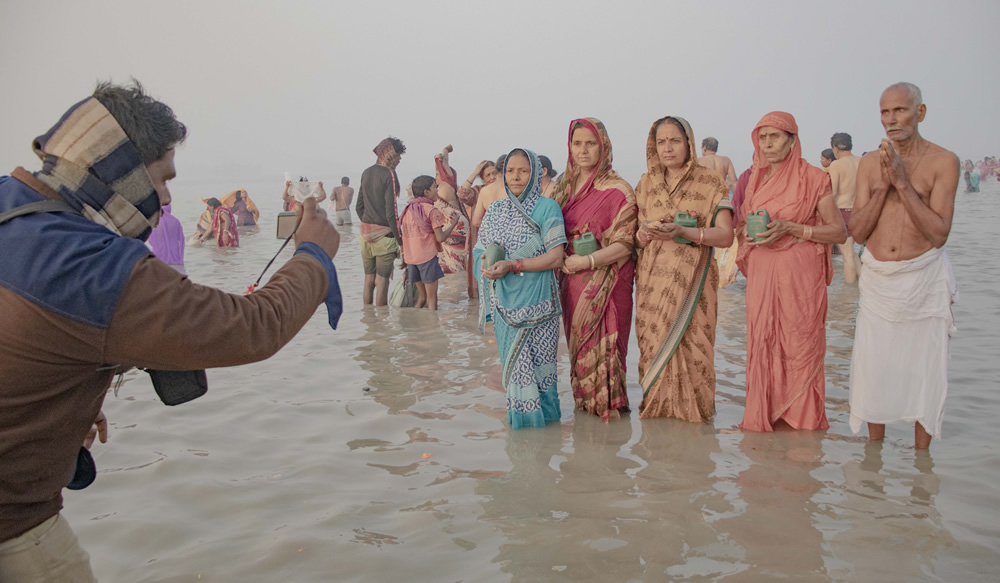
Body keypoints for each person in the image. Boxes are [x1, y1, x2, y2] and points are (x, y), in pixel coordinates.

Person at [0, 81, 342, 581]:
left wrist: (63, 393)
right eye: (160, 179)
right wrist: (312, 256)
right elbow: (255, 326)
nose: (164, 199)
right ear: (119, 171)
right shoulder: (93, 266)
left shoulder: (12, 204)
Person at [848, 82, 960, 449]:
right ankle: (874, 458)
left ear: (920, 113)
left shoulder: (944, 162)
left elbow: (939, 233)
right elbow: (858, 232)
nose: (891, 120)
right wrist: (883, 186)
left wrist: (902, 181)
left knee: (924, 374)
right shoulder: (867, 164)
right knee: (874, 371)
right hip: (880, 281)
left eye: (900, 110)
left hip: (923, 280)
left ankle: (921, 467)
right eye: (884, 112)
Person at [735, 111, 847, 432]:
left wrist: (793, 228)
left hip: (800, 272)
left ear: (792, 141)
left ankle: (802, 420)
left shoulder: (814, 178)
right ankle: (765, 414)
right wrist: (747, 233)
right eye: (762, 137)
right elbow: (743, 225)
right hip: (763, 270)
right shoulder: (755, 179)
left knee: (800, 341)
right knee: (763, 338)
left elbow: (837, 232)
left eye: (775, 137)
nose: (767, 144)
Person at [634, 116, 734, 422]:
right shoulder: (646, 183)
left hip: (694, 286)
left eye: (674, 141)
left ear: (689, 144)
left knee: (694, 352)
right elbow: (637, 237)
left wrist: (686, 232)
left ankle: (697, 423)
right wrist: (645, 232)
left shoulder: (710, 181)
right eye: (661, 142)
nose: (667, 148)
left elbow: (727, 236)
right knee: (655, 351)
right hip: (653, 287)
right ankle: (659, 424)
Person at [551, 118, 637, 422]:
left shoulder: (619, 190)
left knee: (608, 359)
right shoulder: (561, 190)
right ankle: (586, 432)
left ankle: (611, 430)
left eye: (591, 143)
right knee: (579, 358)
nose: (583, 150)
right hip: (571, 285)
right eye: (577, 144)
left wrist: (587, 261)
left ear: (604, 146)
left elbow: (626, 244)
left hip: (607, 285)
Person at [474, 148, 566, 429]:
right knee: (516, 373)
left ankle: (546, 432)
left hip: (540, 305)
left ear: (536, 174)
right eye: (510, 170)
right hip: (505, 307)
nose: (516, 176)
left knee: (543, 374)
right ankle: (525, 437)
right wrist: (484, 265)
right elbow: (480, 249)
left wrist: (513, 265)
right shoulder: (496, 210)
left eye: (523, 170)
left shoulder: (547, 208)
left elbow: (556, 257)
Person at [356, 137, 406, 306]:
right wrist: (400, 241)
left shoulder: (366, 172)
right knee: (382, 280)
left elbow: (358, 207)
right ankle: (382, 322)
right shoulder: (388, 174)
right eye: (398, 155)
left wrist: (369, 225)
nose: (399, 159)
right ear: (390, 154)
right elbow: (391, 213)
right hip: (385, 237)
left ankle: (369, 319)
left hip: (365, 235)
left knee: (368, 278)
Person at [400, 176, 458, 310]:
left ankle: (417, 328)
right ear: (426, 192)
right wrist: (453, 223)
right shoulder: (432, 210)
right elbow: (440, 238)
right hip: (427, 258)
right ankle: (433, 328)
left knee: (422, 297)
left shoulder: (408, 210)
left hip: (411, 259)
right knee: (432, 299)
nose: (437, 190)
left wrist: (404, 257)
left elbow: (404, 236)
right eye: (434, 187)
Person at [458, 159, 499, 300]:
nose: (492, 177)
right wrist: (475, 173)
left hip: (499, 238)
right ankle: (478, 309)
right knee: (480, 271)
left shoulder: (504, 190)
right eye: (488, 175)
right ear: (483, 178)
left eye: (495, 173)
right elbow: (462, 194)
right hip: (480, 238)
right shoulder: (478, 191)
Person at [828, 132, 863, 283]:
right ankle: (863, 287)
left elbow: (833, 192)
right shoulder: (861, 161)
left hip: (844, 211)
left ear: (835, 148)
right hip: (860, 212)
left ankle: (848, 296)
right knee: (852, 253)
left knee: (847, 255)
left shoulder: (836, 165)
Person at [433, 145, 471, 277]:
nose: (436, 175)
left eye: (438, 173)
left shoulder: (445, 185)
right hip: (454, 231)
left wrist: (445, 150)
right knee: (456, 272)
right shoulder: (446, 190)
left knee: (454, 271)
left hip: (453, 230)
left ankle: (455, 295)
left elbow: (444, 163)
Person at [147, 203, 185, 273]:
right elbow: (181, 239)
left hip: (159, 256)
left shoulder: (154, 222)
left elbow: (150, 240)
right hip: (175, 257)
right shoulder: (175, 221)